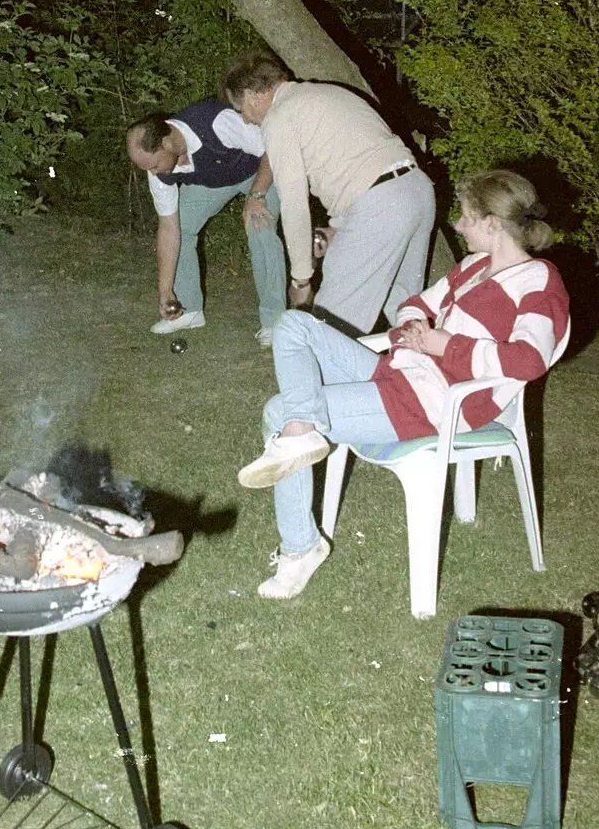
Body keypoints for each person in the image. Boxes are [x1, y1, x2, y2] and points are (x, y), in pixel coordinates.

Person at [238, 170, 570, 600]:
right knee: (294, 324)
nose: (458, 225)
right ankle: (303, 432)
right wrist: (414, 326)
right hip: (402, 374)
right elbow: (414, 302)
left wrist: (442, 343)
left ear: (491, 223)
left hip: (434, 403)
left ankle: (301, 546)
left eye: (467, 217)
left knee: (279, 412)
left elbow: (528, 359)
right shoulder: (472, 267)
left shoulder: (539, 282)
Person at [222, 51, 436, 337]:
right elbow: (360, 164)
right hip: (417, 190)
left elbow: (294, 203)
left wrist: (301, 279)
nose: (246, 121)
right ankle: (416, 378)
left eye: (241, 111)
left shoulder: (279, 116)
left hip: (380, 204)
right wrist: (337, 229)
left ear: (251, 95)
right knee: (405, 313)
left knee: (331, 326)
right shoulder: (326, 92)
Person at [126, 98, 286, 346]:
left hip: (259, 170)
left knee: (260, 227)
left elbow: (272, 148)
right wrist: (165, 291)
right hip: (215, 182)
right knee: (182, 224)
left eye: (155, 165)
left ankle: (276, 323)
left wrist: (257, 195)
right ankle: (188, 310)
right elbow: (168, 229)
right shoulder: (158, 170)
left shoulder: (216, 122)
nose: (153, 173)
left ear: (168, 142)